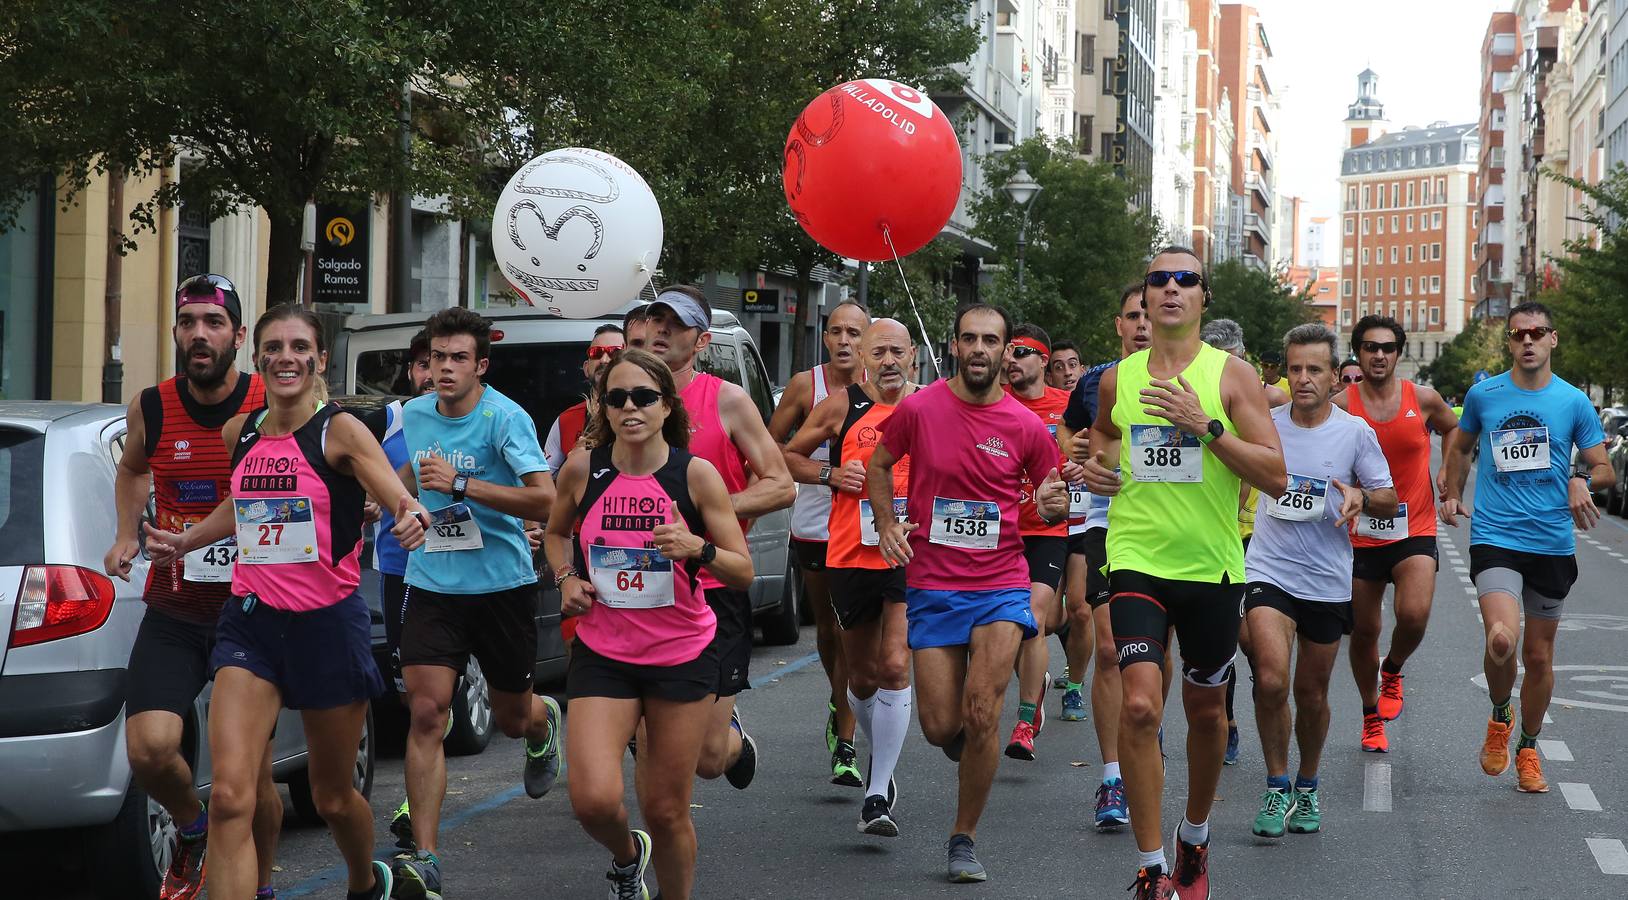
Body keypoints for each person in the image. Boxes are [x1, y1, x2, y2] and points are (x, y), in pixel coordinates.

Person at [144, 303, 429, 900]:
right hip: (251, 624)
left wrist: (411, 516)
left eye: (300, 347)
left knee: (331, 796)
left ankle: (362, 879)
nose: (286, 358)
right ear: (258, 358)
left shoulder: (339, 430)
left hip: (327, 626)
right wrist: (185, 540)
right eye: (274, 347)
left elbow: (397, 495)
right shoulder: (239, 431)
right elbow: (243, 508)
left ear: (320, 359)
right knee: (228, 798)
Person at [1077, 249, 1286, 900]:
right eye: (1159, 280)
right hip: (1137, 558)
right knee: (1139, 703)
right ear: (1145, 297)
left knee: (1204, 713)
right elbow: (1105, 447)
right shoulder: (1117, 380)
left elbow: (1275, 475)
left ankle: (1192, 836)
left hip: (1213, 570)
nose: (1171, 289)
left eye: (1185, 280)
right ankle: (1149, 865)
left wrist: (1206, 426)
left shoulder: (1233, 377)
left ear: (1204, 297)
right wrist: (1094, 474)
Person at [867, 303, 1068, 883]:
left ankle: (963, 838)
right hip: (933, 584)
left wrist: (1054, 505)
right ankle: (970, 747)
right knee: (939, 726)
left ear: (1007, 351)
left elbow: (1051, 495)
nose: (980, 349)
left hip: (1002, 583)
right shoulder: (920, 408)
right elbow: (880, 465)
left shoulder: (1026, 426)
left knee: (983, 709)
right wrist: (886, 525)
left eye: (991, 341)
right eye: (969, 339)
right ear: (954, 346)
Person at [545, 349, 753, 900]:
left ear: (667, 406)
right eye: (617, 398)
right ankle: (627, 855)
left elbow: (743, 570)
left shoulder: (696, 476)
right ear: (603, 407)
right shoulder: (583, 467)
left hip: (681, 657)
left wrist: (697, 547)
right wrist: (566, 577)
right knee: (591, 799)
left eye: (643, 397)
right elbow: (554, 531)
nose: (630, 408)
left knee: (665, 809)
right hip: (604, 653)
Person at [102, 274, 275, 900]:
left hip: (252, 609)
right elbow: (131, 468)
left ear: (238, 334)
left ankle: (256, 886)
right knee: (149, 748)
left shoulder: (267, 399)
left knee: (248, 782)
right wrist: (126, 533)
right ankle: (190, 827)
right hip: (176, 605)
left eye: (213, 322)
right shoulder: (152, 404)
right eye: (188, 323)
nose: (199, 335)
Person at [390, 307, 560, 896]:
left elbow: (546, 502)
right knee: (428, 712)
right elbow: (416, 471)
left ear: (480, 365)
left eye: (458, 358)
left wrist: (461, 486)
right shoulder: (413, 414)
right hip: (433, 582)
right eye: (436, 357)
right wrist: (392, 501)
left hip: (501, 587)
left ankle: (543, 723)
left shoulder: (504, 418)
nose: (445, 368)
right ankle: (427, 859)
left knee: (512, 718)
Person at [1440, 302, 1608, 795]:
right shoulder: (1483, 395)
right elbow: (1461, 445)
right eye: (1519, 334)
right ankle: (1499, 716)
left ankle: (1528, 746)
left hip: (1552, 543)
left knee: (1538, 657)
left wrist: (1580, 477)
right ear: (1510, 342)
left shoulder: (1574, 402)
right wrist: (1450, 492)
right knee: (1500, 639)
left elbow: (1604, 468)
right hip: (1496, 536)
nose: (1528, 341)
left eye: (1537, 333)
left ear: (1553, 339)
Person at [1243, 324, 1396, 839]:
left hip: (1328, 579)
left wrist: (1359, 495)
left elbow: (1388, 497)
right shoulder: (1264, 424)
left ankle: (1307, 784)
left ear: (1334, 376)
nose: (1303, 379)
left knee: (1311, 693)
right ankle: (1275, 781)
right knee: (1269, 678)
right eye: (1294, 369)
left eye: (1314, 370)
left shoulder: (1354, 432)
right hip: (1268, 568)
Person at [643, 286, 795, 789]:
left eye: (676, 324)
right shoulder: (621, 400)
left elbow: (780, 484)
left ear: (702, 340)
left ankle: (731, 738)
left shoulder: (726, 400)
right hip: (637, 588)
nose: (661, 330)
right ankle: (648, 850)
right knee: (657, 745)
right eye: (656, 319)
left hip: (712, 585)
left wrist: (712, 509)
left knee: (708, 758)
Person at [783, 318, 918, 836]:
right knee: (859, 677)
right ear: (862, 354)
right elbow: (787, 455)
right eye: (877, 350)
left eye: (896, 351)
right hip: (849, 553)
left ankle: (879, 789)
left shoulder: (924, 405)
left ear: (912, 357)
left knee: (893, 662)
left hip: (907, 550)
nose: (888, 361)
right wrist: (831, 474)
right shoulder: (842, 405)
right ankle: (878, 751)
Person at [1335, 315, 1458, 753]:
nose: (1379, 355)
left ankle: (1394, 668)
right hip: (1359, 534)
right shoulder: (1342, 404)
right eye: (1370, 347)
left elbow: (1456, 431)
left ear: (1399, 354)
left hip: (1414, 527)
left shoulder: (1422, 398)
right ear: (1358, 352)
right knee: (1364, 630)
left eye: (1387, 348)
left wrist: (1448, 469)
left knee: (1414, 614)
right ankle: (1371, 715)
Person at [1057, 282, 1148, 830]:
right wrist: (1074, 446)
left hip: (1168, 530)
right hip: (1106, 521)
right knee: (1112, 649)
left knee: (1152, 654)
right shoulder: (1097, 382)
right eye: (1131, 316)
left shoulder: (1193, 379)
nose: (1141, 324)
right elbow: (1072, 425)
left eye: (1148, 315)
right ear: (1119, 324)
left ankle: (1145, 731)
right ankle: (1112, 777)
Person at [769, 300, 869, 787]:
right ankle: (839, 703)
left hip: (872, 527)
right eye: (836, 332)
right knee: (829, 632)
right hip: (817, 524)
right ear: (825, 338)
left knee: (857, 632)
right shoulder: (807, 386)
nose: (845, 340)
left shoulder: (886, 387)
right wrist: (828, 474)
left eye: (855, 332)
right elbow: (773, 452)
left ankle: (848, 732)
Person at [359, 328, 435, 853]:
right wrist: (365, 499)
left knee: (437, 690)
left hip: (461, 570)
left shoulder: (485, 420)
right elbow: (347, 462)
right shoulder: (388, 421)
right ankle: (416, 795)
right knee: (415, 689)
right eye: (423, 363)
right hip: (397, 565)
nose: (433, 372)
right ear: (411, 372)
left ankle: (536, 714)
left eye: (445, 361)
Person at [1000, 323, 1080, 761]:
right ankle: (1038, 681)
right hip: (999, 531)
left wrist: (1082, 467)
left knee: (1033, 618)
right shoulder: (994, 403)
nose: (1012, 360)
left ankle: (1025, 720)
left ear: (1043, 361)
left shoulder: (1067, 407)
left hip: (1046, 529)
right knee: (1008, 628)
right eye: (1008, 352)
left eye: (1023, 353)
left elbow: (1097, 451)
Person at [544, 324, 625, 471]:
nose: (605, 360)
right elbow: (544, 482)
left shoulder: (643, 413)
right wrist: (573, 465)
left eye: (615, 352)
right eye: (597, 353)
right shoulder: (566, 421)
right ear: (586, 368)